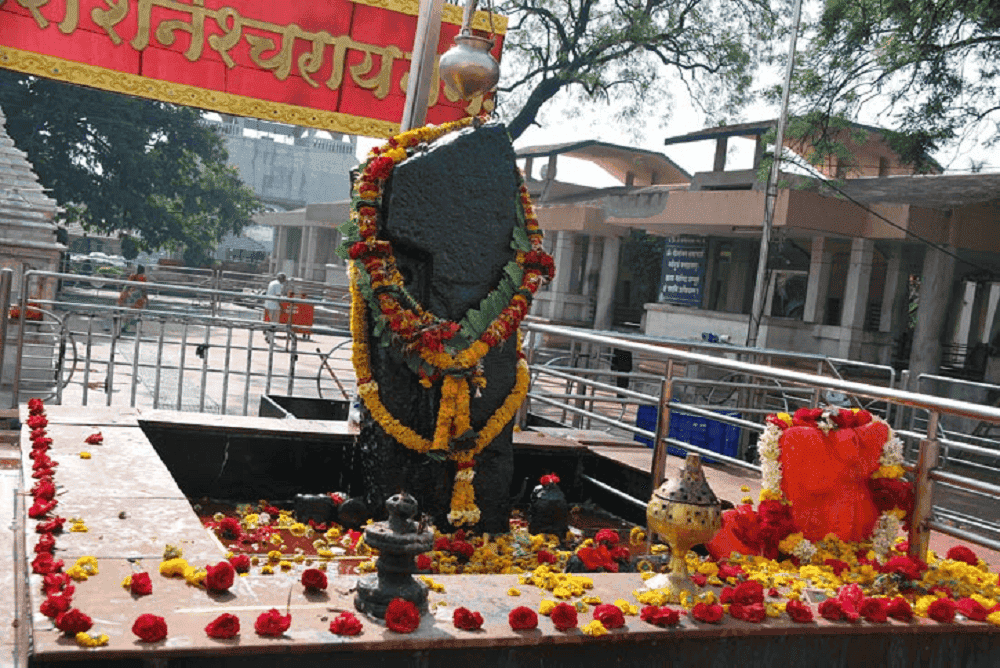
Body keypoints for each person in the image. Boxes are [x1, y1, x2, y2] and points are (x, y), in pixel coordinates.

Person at [116, 265, 148, 335]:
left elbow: (127, 287)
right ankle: (137, 328)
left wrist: (122, 297)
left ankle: (125, 326)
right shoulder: (143, 277)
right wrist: (146, 299)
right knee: (138, 313)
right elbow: (144, 290)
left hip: (131, 295)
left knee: (130, 312)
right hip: (138, 297)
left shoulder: (132, 276)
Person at [263, 272, 287, 341]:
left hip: (268, 304)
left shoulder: (272, 282)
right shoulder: (278, 285)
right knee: (274, 322)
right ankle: (271, 338)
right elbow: (278, 296)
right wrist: (281, 306)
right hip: (274, 305)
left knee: (270, 321)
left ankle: (268, 336)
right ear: (282, 279)